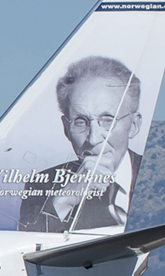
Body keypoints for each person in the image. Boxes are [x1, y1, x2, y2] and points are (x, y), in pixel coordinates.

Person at [17, 56, 142, 232]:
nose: (93, 139)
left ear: (134, 125)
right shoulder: (43, 185)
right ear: (66, 129)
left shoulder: (155, 178)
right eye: (80, 122)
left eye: (107, 120)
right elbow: (26, 246)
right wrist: (63, 201)